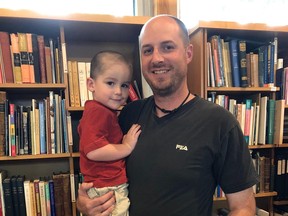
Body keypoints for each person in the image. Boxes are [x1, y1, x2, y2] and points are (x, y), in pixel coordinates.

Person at [76, 15, 258, 216]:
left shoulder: (220, 123)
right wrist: (85, 204)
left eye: (167, 47)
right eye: (147, 50)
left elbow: (243, 208)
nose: (156, 58)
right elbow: (98, 167)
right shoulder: (128, 115)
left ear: (188, 53)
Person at [78, 51, 141, 216]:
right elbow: (94, 151)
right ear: (91, 84)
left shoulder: (104, 111)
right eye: (111, 83)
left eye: (124, 85)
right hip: (108, 186)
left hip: (107, 185)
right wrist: (126, 146)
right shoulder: (98, 112)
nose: (119, 91)